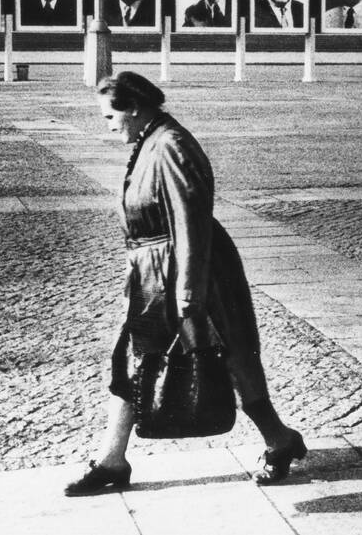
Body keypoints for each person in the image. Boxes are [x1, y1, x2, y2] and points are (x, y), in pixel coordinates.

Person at [66, 72, 306, 497]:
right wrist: (136, 269)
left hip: (192, 275)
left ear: (135, 108)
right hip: (155, 275)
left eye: (110, 116)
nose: (107, 125)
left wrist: (190, 295)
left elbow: (190, 223)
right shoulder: (150, 141)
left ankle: (279, 440)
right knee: (133, 358)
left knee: (229, 360)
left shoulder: (170, 145)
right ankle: (112, 460)